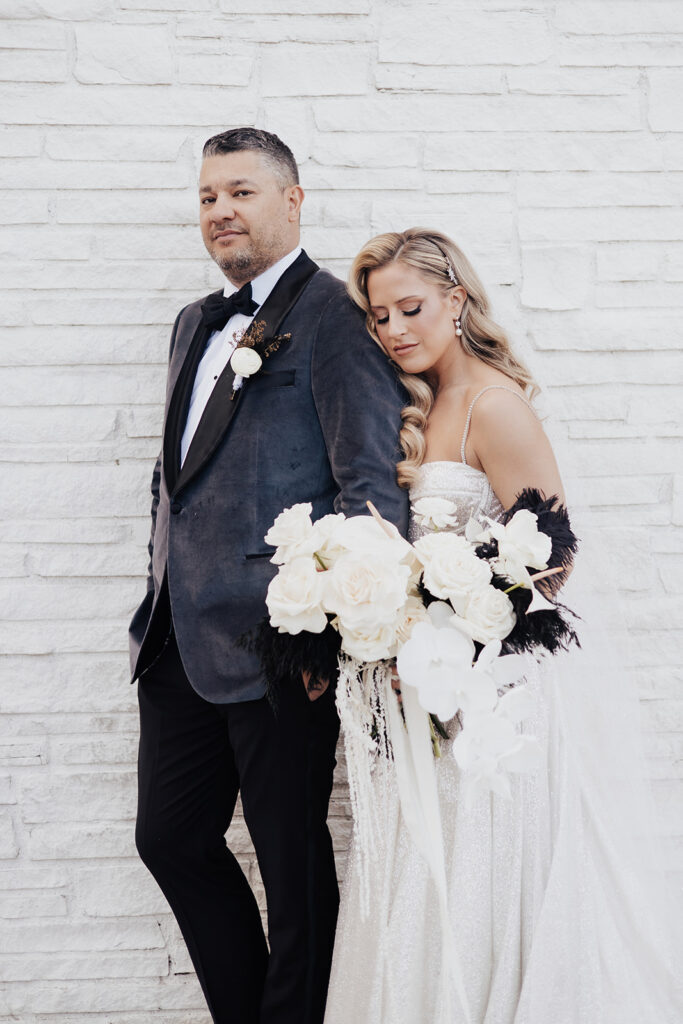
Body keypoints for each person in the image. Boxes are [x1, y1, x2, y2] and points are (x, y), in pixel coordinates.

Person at [323, 228, 681, 1023]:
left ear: (456, 299)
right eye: (379, 318)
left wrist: (445, 623)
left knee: (490, 869)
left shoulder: (494, 403)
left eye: (409, 308)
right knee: (431, 871)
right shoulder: (418, 405)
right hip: (431, 693)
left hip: (497, 701)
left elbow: (551, 556)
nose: (394, 331)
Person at [129, 128, 408, 1024]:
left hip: (282, 646)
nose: (220, 210)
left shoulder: (333, 316)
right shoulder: (193, 322)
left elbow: (369, 485)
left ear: (293, 202)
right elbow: (179, 478)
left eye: (241, 192)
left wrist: (337, 631)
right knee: (170, 839)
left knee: (291, 865)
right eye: (208, 195)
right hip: (177, 638)